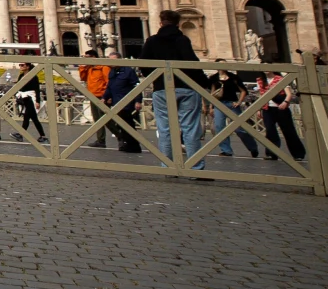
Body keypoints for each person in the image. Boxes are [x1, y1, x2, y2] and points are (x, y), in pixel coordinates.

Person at [139, 10, 210, 173]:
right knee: (190, 128)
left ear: (160, 22)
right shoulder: (182, 39)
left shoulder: (152, 41)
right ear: (178, 23)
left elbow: (143, 65)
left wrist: (155, 78)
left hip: (161, 89)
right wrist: (204, 83)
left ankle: (168, 167)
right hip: (186, 88)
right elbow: (192, 64)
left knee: (165, 129)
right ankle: (196, 168)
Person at [255, 71, 306, 161]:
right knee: (270, 131)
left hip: (280, 107)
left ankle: (298, 154)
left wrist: (285, 102)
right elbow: (261, 95)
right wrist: (259, 109)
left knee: (288, 130)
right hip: (267, 108)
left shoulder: (280, 79)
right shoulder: (260, 80)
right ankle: (272, 153)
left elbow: (289, 94)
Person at [208, 68, 259, 158]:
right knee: (219, 127)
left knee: (239, 128)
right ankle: (226, 150)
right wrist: (211, 106)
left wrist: (239, 102)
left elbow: (243, 90)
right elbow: (212, 93)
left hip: (232, 103)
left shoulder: (233, 77)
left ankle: (253, 147)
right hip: (219, 104)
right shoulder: (214, 78)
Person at [103, 53, 142, 152]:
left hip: (126, 102)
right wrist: (104, 97)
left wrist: (138, 100)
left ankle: (134, 145)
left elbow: (136, 86)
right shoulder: (112, 72)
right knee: (121, 124)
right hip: (116, 102)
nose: (111, 62)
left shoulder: (128, 71)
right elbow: (109, 87)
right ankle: (127, 143)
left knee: (128, 124)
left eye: (113, 60)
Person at [77, 49, 110, 148]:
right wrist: (83, 67)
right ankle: (101, 140)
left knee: (106, 120)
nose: (85, 60)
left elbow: (108, 81)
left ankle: (120, 136)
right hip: (92, 95)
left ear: (93, 57)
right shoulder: (89, 68)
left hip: (102, 96)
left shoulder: (103, 67)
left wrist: (107, 96)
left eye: (87, 58)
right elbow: (82, 78)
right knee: (97, 120)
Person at [9, 62, 47, 143]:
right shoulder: (21, 75)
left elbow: (37, 89)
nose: (20, 66)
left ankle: (21, 134)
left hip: (30, 98)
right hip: (24, 98)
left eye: (22, 65)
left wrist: (37, 101)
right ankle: (43, 136)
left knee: (27, 116)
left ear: (28, 66)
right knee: (34, 118)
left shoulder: (34, 77)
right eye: (20, 65)